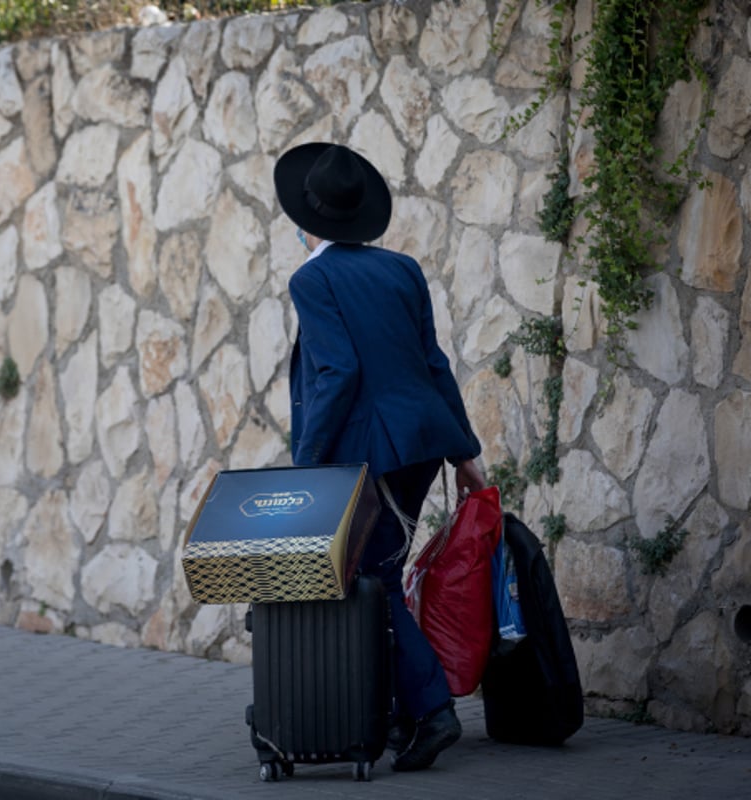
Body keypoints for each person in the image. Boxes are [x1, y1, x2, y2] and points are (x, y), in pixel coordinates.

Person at [273, 142, 487, 772]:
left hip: (367, 454)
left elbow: (338, 372)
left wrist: (310, 466)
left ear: (305, 219)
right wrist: (464, 451)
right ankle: (397, 712)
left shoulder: (310, 278)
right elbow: (434, 364)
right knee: (379, 571)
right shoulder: (402, 268)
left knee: (371, 580)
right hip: (422, 445)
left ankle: (430, 709)